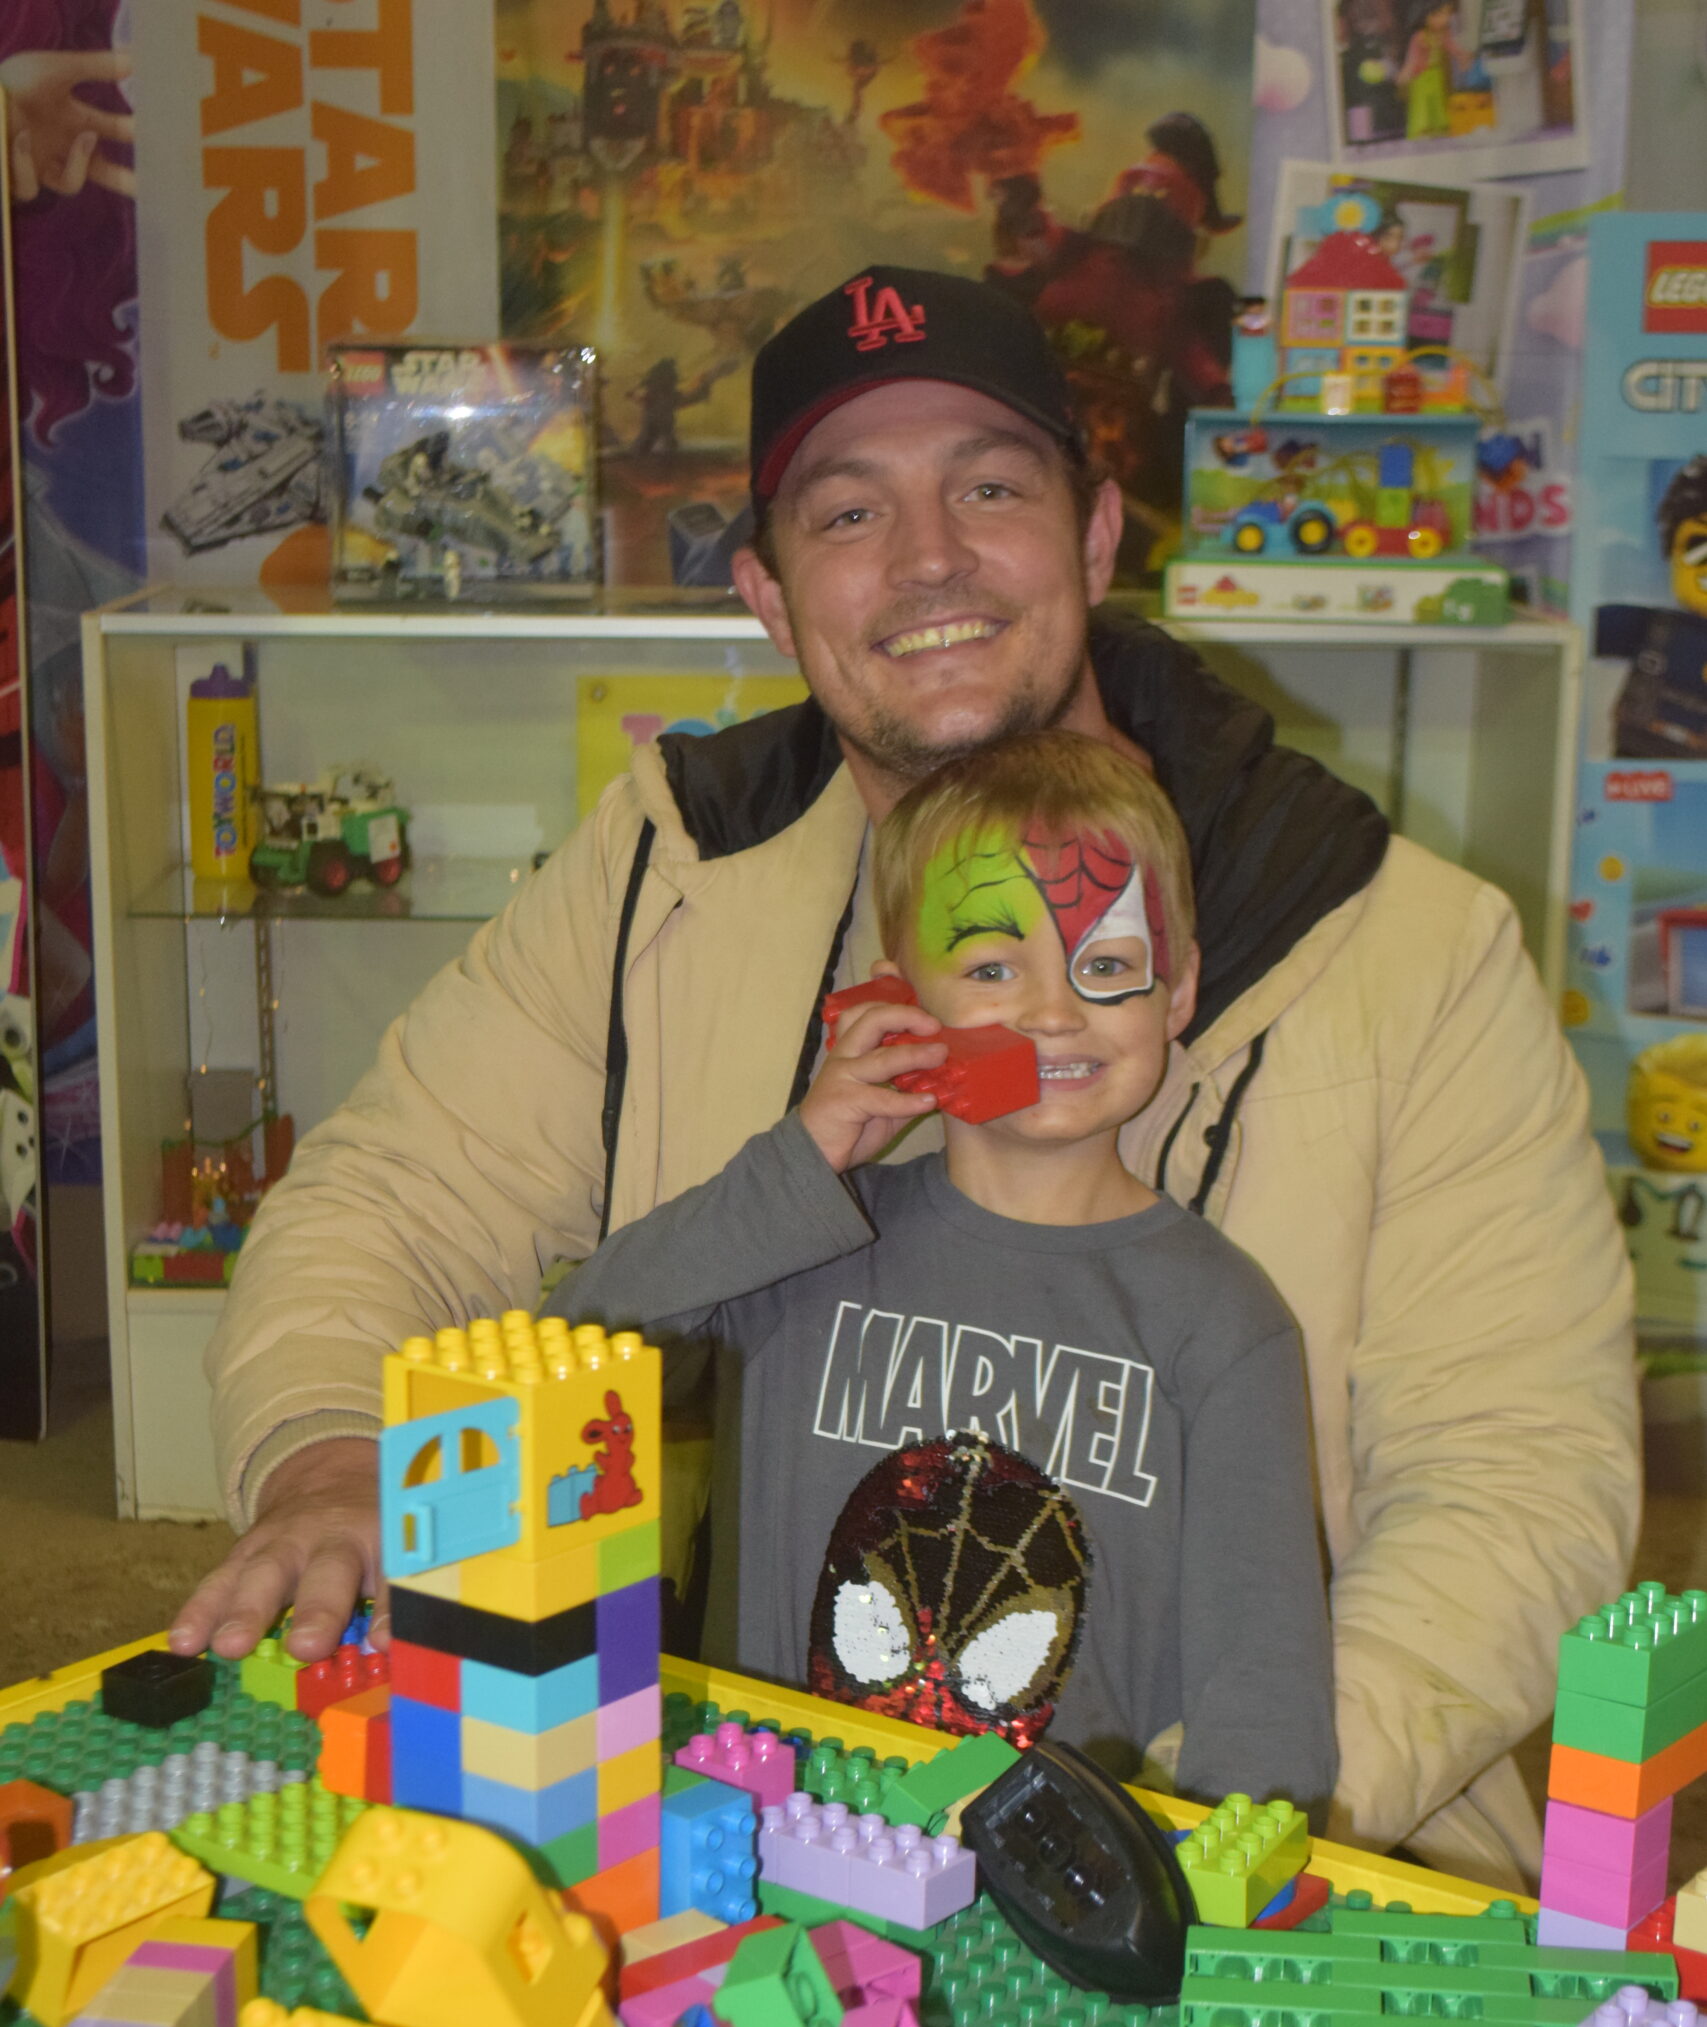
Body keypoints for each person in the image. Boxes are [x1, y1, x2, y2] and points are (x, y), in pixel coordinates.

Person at [176, 263, 1638, 1889]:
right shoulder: (669, 856)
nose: (930, 560)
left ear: (1094, 539)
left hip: (1268, 1838)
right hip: (781, 1793)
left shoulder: (1397, 944)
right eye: (849, 512)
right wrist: (327, 1458)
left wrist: (1178, 1836)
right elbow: (399, 1193)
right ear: (769, 596)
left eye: (989, 488)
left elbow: (1515, 1482)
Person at [552, 729, 1338, 1804]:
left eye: (1107, 965)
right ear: (903, 996)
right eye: (991, 966)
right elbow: (563, 1355)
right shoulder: (809, 1239)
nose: (1055, 1011)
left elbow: (1266, 1692)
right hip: (767, 1853)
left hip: (1057, 1904)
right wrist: (799, 1163)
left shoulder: (1221, 1320)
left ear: (1180, 990)